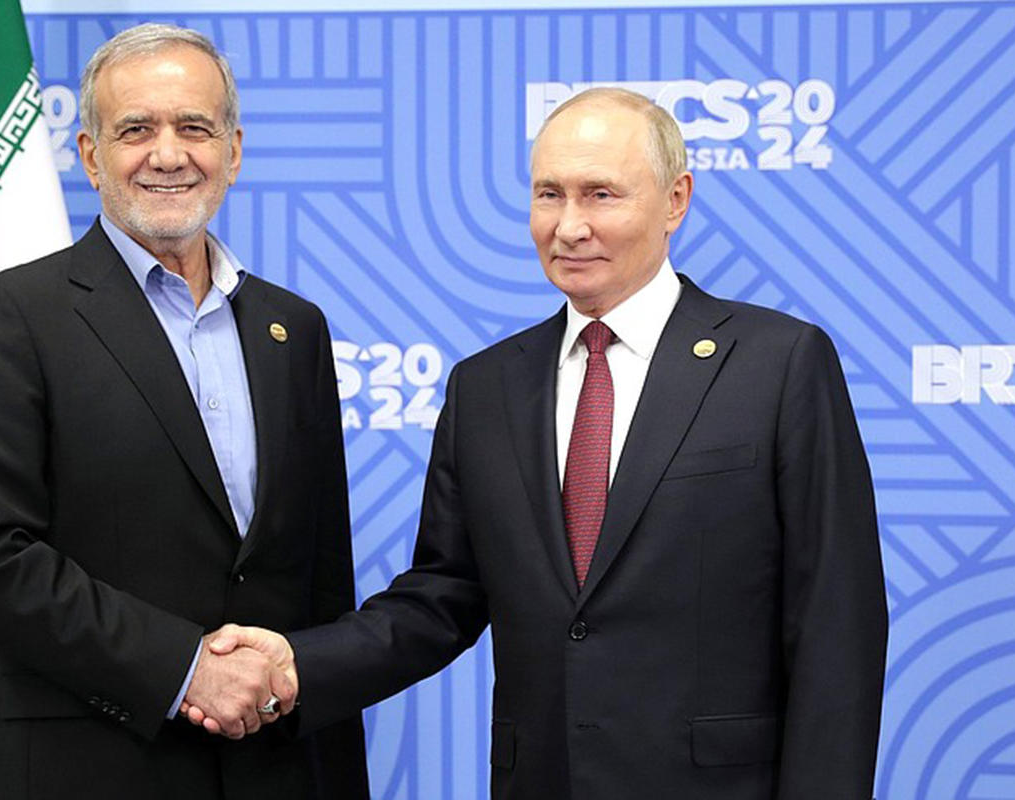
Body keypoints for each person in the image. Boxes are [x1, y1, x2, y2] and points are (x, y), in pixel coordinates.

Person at [198, 88, 888, 799]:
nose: (569, 226)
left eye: (601, 195)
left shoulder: (778, 365)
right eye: (549, 195)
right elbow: (442, 598)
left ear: (675, 200)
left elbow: (837, 624)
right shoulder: (485, 387)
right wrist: (297, 665)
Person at [0, 23, 368, 800]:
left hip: (271, 771)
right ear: (91, 156)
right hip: (77, 770)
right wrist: (184, 668)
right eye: (135, 130)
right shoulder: (8, 317)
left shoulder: (293, 329)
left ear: (233, 151)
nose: (167, 155)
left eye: (194, 127)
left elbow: (322, 585)